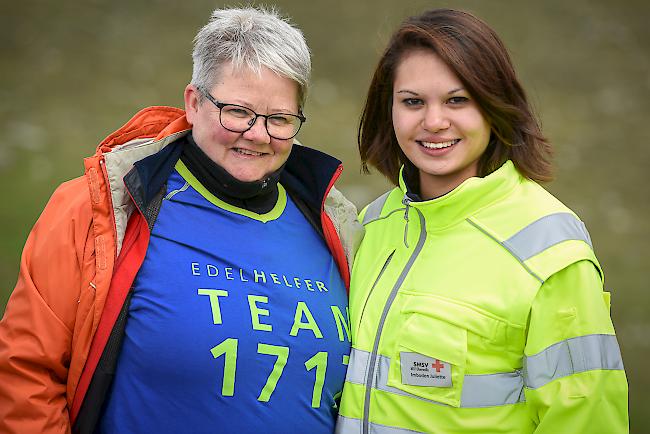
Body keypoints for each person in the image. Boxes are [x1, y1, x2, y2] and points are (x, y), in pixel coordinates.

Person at [0, 7, 363, 434]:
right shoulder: (99, 208)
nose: (258, 133)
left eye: (279, 119)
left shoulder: (336, 225)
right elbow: (26, 377)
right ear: (193, 103)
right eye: (237, 111)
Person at [336, 8, 628, 434]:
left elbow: (589, 419)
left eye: (458, 100)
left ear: (495, 105)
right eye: (413, 101)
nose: (434, 122)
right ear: (389, 109)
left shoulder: (550, 247)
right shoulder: (372, 223)